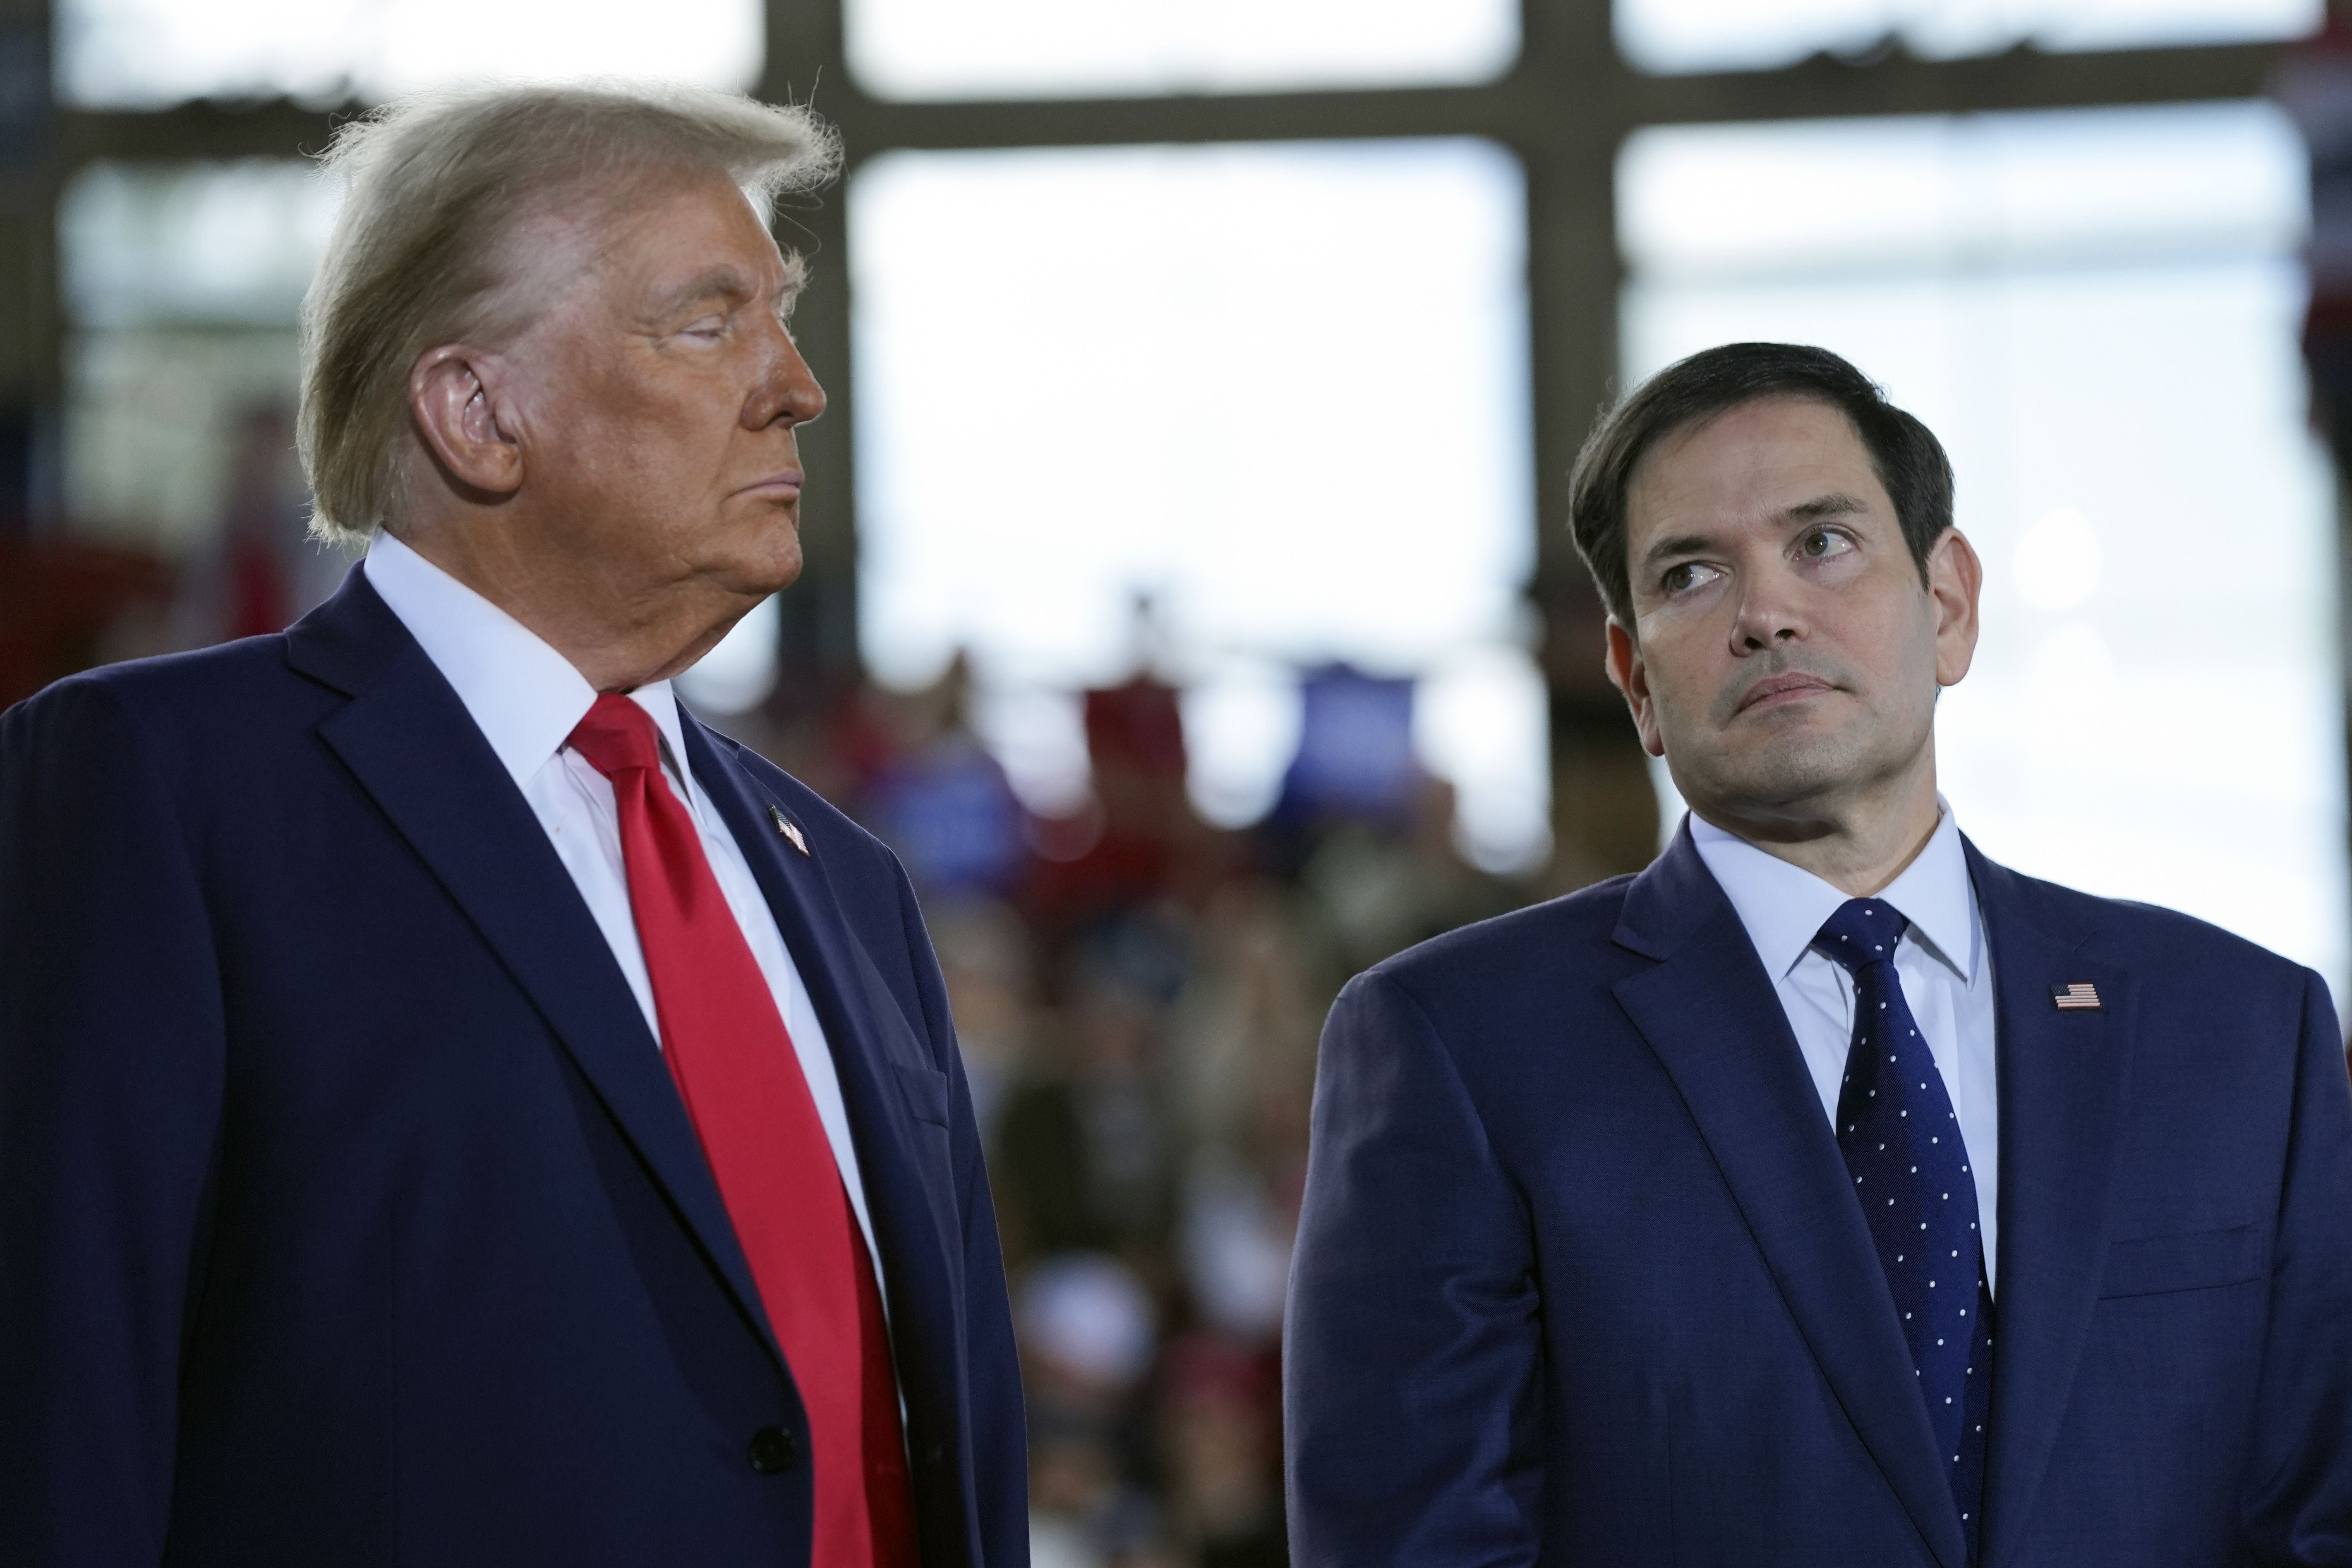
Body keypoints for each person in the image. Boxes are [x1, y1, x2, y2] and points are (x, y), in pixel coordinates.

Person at [0, 83, 1026, 1566]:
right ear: (477, 410)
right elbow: (57, 1429)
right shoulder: (153, 789)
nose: (796, 384)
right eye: (709, 321)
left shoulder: (850, 883)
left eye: (783, 316)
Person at [1284, 342, 2352, 1566]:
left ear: (1948, 605)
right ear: (1636, 685)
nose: (1767, 613)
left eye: (1824, 543)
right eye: (1691, 574)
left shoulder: (2242, 1031)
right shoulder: (1456, 1046)